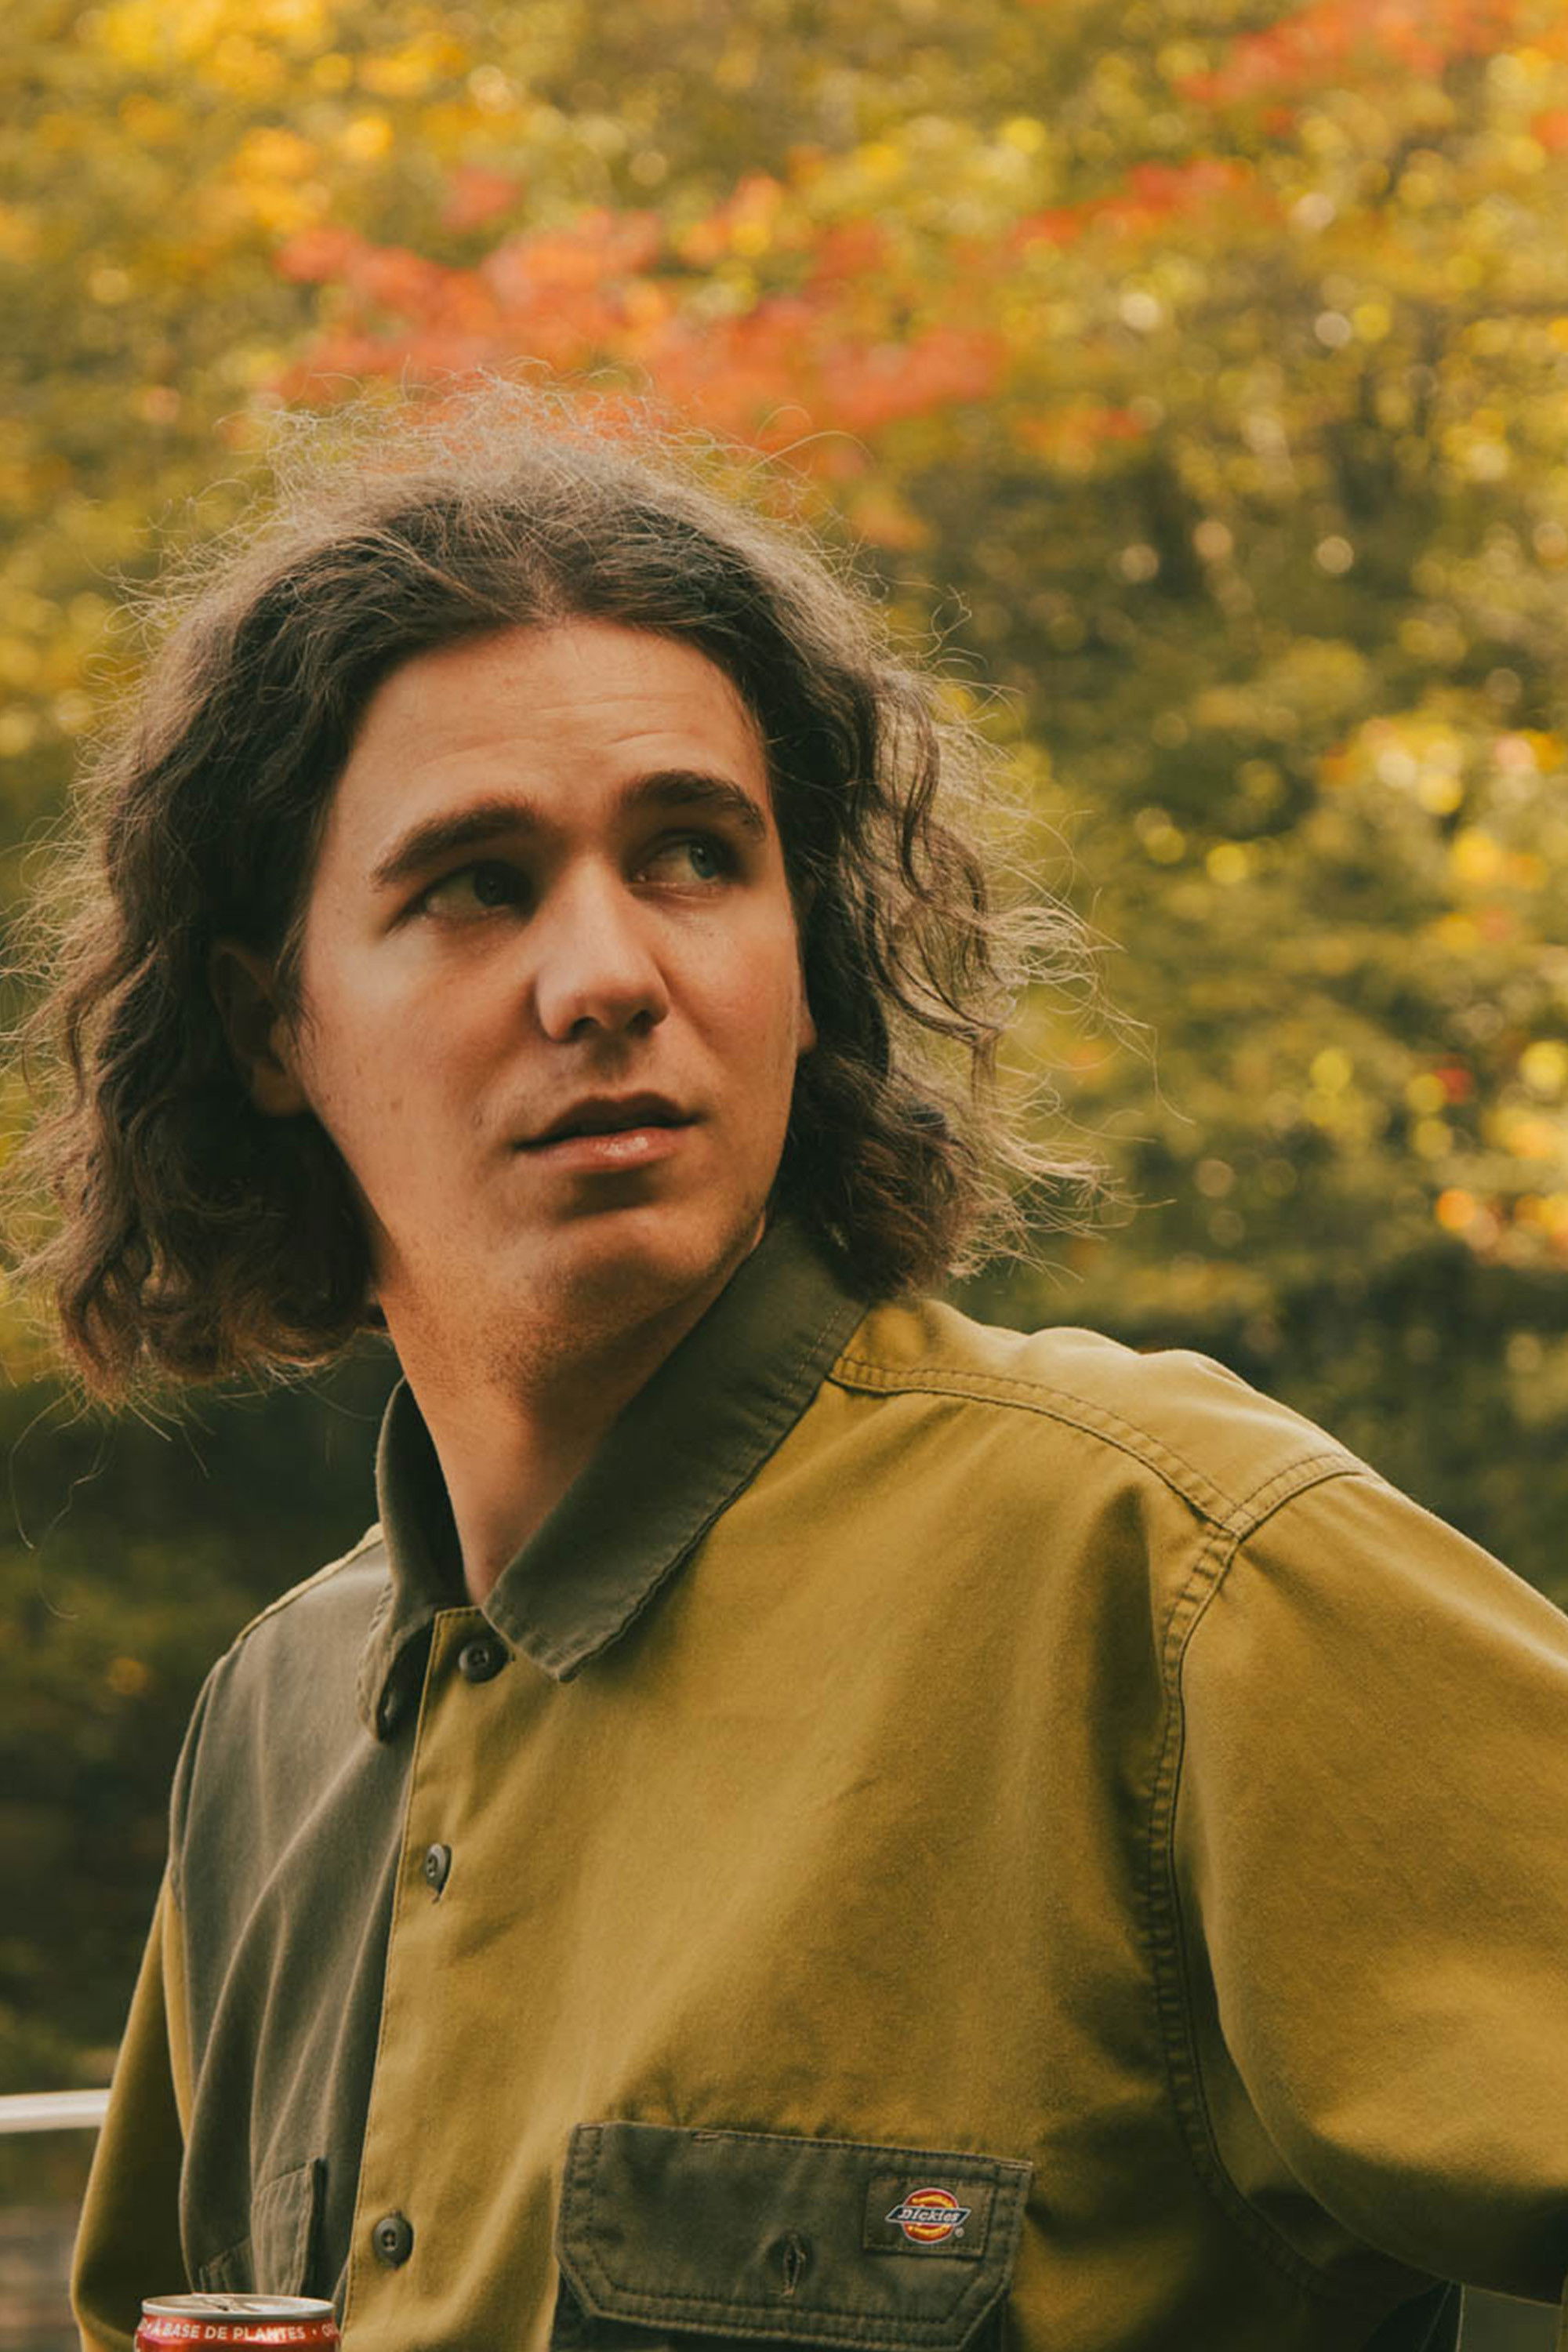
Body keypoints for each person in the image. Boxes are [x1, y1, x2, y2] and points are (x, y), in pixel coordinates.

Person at [18, 386, 1567, 2352]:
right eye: (476, 883)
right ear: (271, 1028)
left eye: (692, 857)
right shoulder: (276, 1722)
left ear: (807, 951)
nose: (608, 974)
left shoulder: (1161, 1568)